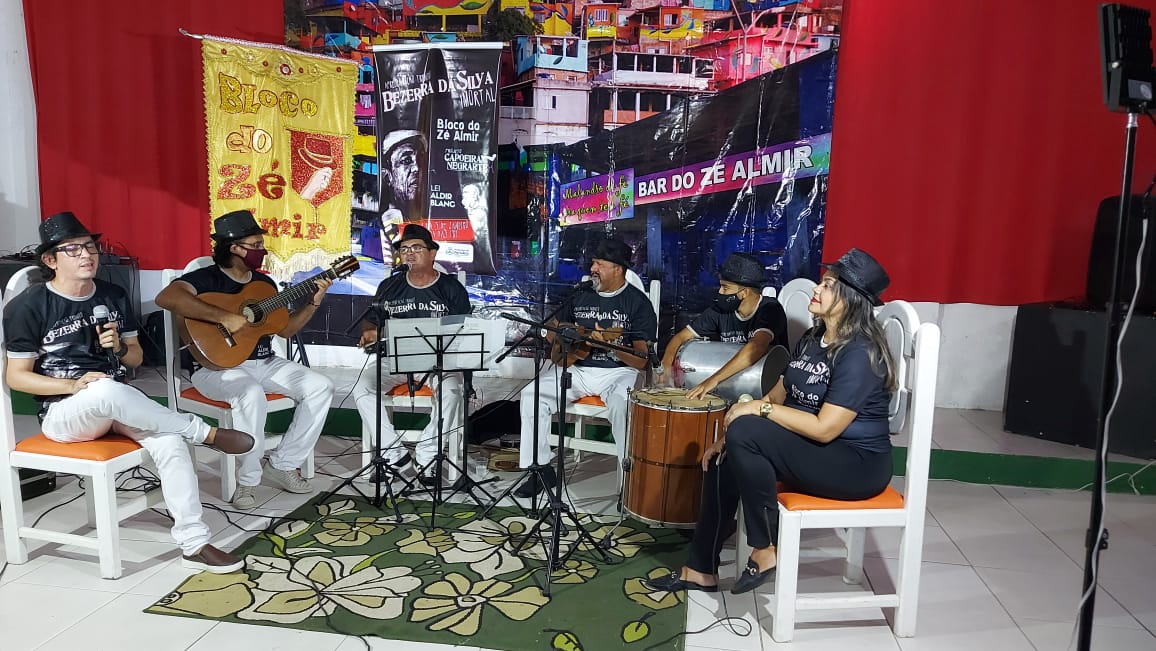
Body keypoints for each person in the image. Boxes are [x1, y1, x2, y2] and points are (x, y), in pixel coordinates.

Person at [3, 211, 254, 573]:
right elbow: (16, 377)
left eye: (90, 247)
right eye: (73, 249)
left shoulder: (113, 295)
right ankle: (204, 433)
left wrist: (118, 347)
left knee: (170, 441)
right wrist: (73, 385)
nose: (86, 255)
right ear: (50, 260)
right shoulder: (29, 306)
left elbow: (134, 358)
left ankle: (194, 543)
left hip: (117, 403)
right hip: (64, 412)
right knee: (105, 388)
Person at [644, 248, 897, 595]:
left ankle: (765, 547)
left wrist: (756, 412)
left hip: (855, 464)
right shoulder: (813, 339)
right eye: (822, 282)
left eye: (827, 285)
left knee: (747, 430)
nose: (817, 289)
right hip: (816, 448)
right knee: (724, 455)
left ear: (850, 299)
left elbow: (825, 429)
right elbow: (778, 395)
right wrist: (730, 434)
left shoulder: (859, 352)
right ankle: (700, 569)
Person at [155, 210, 335, 511]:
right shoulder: (206, 277)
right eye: (256, 245)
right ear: (234, 248)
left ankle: (283, 463)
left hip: (264, 362)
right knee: (250, 393)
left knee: (321, 386)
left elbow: (286, 330)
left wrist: (313, 302)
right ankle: (248, 481)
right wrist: (223, 316)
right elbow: (167, 298)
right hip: (216, 367)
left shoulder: (264, 285)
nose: (262, 251)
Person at [513, 239, 658, 498]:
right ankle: (540, 469)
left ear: (618, 269)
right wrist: (560, 336)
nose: (593, 269)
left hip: (619, 372)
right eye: (593, 263)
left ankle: (630, 478)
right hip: (577, 368)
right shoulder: (581, 294)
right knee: (532, 395)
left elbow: (641, 360)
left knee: (622, 404)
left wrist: (610, 346)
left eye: (599, 264)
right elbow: (555, 328)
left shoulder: (638, 303)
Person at [353, 223, 472, 486]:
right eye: (404, 248)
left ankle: (428, 458)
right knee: (362, 388)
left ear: (433, 253)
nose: (409, 253)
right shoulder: (390, 285)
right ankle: (394, 455)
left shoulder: (451, 288)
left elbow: (464, 329)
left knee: (452, 392)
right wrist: (370, 331)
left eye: (417, 247)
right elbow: (371, 319)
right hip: (395, 360)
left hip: (438, 362)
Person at [657, 253, 788, 399]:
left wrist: (713, 380)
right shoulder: (719, 311)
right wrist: (666, 364)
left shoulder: (770, 309)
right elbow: (681, 337)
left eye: (725, 288)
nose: (720, 292)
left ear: (744, 293)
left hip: (768, 390)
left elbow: (756, 347)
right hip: (731, 384)